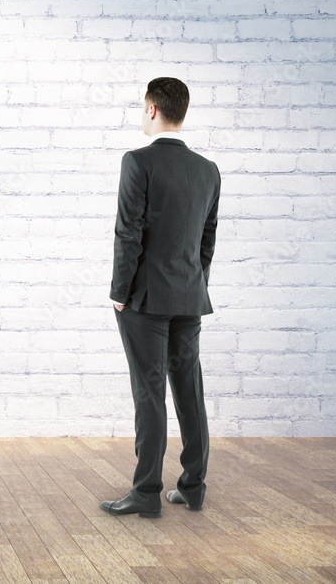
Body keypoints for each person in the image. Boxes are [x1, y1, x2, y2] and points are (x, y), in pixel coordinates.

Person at [101, 77, 220, 519]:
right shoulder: (208, 170)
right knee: (190, 391)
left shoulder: (138, 161)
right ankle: (193, 487)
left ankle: (147, 492)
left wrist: (119, 292)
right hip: (190, 296)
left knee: (149, 393)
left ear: (152, 109)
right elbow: (207, 241)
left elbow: (127, 233)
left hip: (145, 300)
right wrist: (195, 284)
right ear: (182, 111)